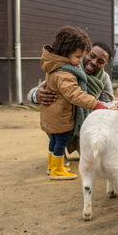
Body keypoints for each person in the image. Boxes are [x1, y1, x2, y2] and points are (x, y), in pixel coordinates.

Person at [40, 26, 110, 180]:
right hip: (62, 116)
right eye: (78, 57)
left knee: (54, 141)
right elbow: (75, 94)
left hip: (53, 115)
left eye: (101, 61)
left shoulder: (54, 65)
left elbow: (108, 98)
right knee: (60, 141)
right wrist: (96, 104)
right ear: (67, 52)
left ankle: (52, 165)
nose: (80, 62)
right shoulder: (65, 72)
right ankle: (57, 170)